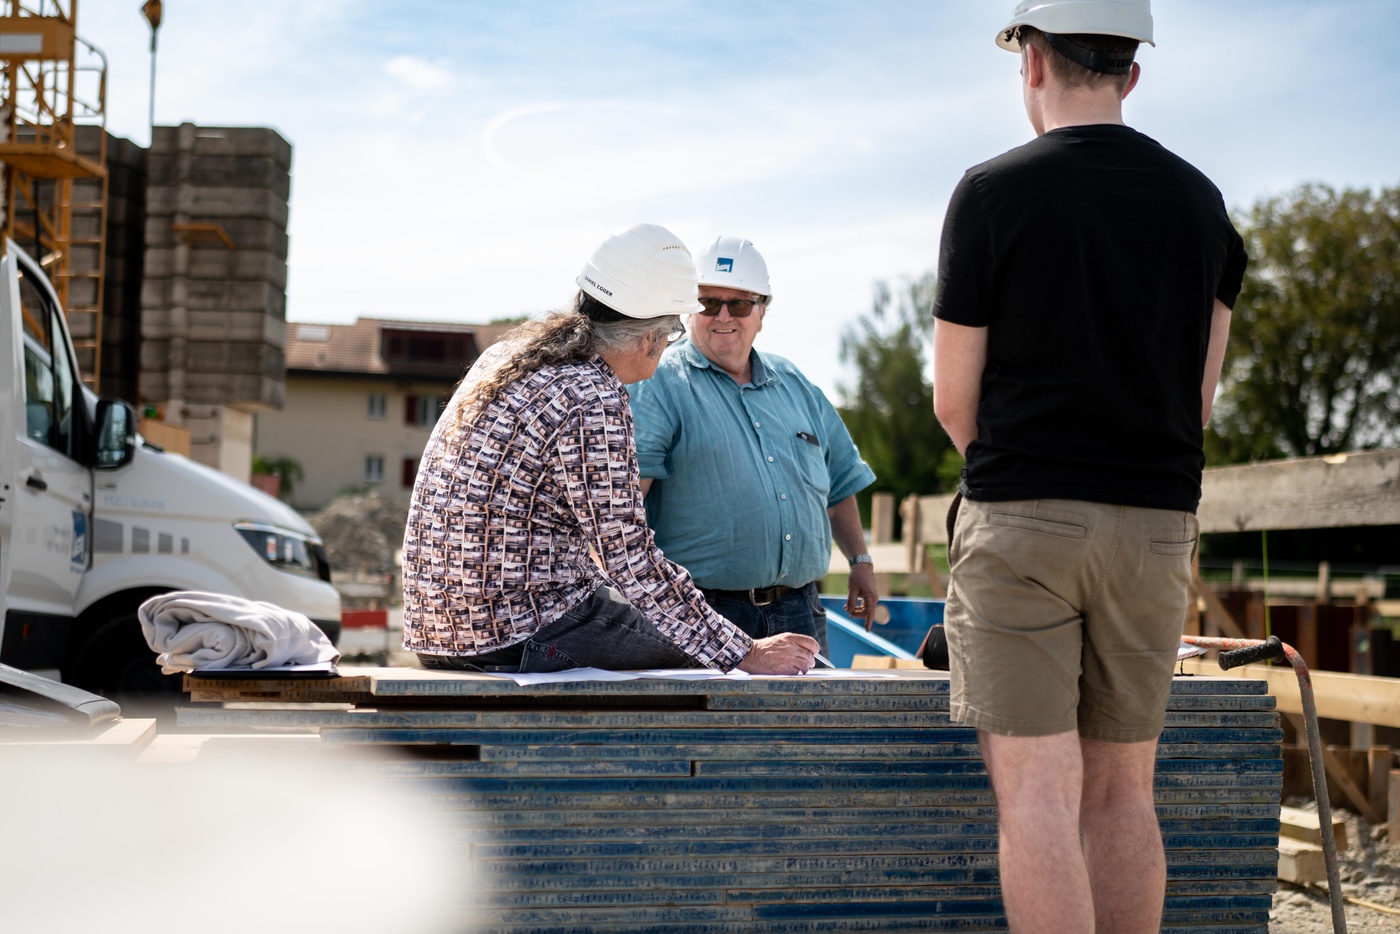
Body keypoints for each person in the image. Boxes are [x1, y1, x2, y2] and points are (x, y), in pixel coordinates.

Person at [930, 3, 1247, 932]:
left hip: (1024, 519)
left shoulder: (991, 194)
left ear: (1032, 62)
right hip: (1154, 530)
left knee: (1035, 798)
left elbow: (956, 401)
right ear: (1133, 74)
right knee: (1122, 795)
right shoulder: (1202, 205)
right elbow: (1198, 400)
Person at [401, 223, 820, 676]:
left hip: (440, 632)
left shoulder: (507, 357)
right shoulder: (591, 396)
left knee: (690, 631)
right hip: (520, 634)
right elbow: (628, 555)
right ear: (651, 337)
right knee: (716, 656)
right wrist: (747, 651)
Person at [628, 235, 878, 656]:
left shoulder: (796, 383)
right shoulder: (658, 383)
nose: (723, 315)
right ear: (690, 310)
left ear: (761, 311)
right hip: (703, 613)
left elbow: (839, 484)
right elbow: (627, 505)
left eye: (740, 304)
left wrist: (860, 561)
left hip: (802, 609)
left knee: (810, 725)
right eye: (708, 303)